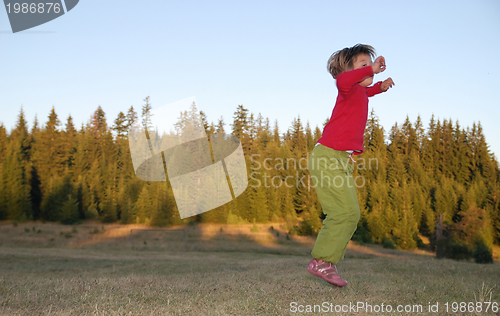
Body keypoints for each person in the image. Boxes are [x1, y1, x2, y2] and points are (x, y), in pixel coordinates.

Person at [307, 44, 394, 287]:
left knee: (351, 213)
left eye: (371, 64)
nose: (369, 69)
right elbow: (345, 80)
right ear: (349, 71)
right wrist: (373, 71)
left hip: (341, 160)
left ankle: (328, 263)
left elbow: (368, 91)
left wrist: (381, 86)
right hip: (328, 157)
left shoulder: (359, 92)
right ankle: (321, 261)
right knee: (341, 212)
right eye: (363, 65)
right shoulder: (346, 87)